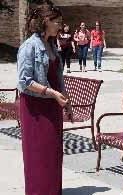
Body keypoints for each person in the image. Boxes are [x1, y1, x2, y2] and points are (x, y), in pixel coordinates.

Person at [17, 3, 73, 195]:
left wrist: (67, 101)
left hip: (53, 106)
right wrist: (52, 93)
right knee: (38, 153)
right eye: (57, 22)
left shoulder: (52, 45)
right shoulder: (29, 47)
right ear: (46, 22)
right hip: (35, 107)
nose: (60, 26)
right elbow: (25, 82)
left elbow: (58, 78)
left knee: (53, 151)